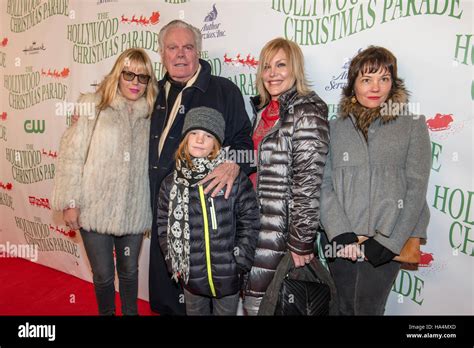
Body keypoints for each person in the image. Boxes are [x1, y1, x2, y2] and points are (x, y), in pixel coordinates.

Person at [148, 20, 253, 315]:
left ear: (198, 52)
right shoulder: (151, 92)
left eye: (188, 47)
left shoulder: (224, 90)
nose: (180, 54)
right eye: (172, 48)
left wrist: (234, 165)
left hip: (210, 225)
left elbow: (245, 141)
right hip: (165, 210)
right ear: (162, 53)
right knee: (168, 290)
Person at [319, 46, 431, 315]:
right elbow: (323, 184)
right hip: (341, 240)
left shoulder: (412, 125)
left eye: (384, 78)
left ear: (393, 83)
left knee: (368, 310)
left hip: (387, 241)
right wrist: (340, 233)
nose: (375, 87)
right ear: (353, 85)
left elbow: (416, 188)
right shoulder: (334, 128)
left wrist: (389, 243)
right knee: (341, 308)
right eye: (366, 79)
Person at [51, 48, 158, 315]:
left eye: (142, 77)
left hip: (133, 209)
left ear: (149, 81)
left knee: (130, 271)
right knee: (103, 275)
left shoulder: (153, 115)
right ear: (117, 75)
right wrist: (70, 202)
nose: (135, 82)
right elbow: (72, 156)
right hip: (94, 207)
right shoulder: (93, 106)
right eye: (129, 74)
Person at [243, 38, 330, 315]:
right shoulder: (264, 111)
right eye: (267, 66)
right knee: (255, 302)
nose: (272, 73)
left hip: (282, 233)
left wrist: (301, 241)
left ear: (296, 69)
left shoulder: (307, 110)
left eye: (281, 65)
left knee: (270, 305)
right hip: (255, 226)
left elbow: (308, 181)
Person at [156, 107, 260, 315]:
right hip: (190, 276)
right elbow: (163, 226)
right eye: (194, 133)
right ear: (185, 138)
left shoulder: (232, 178)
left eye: (208, 135)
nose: (199, 140)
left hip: (227, 276)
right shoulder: (170, 183)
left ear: (217, 143)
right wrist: (173, 260)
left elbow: (250, 219)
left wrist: (240, 261)